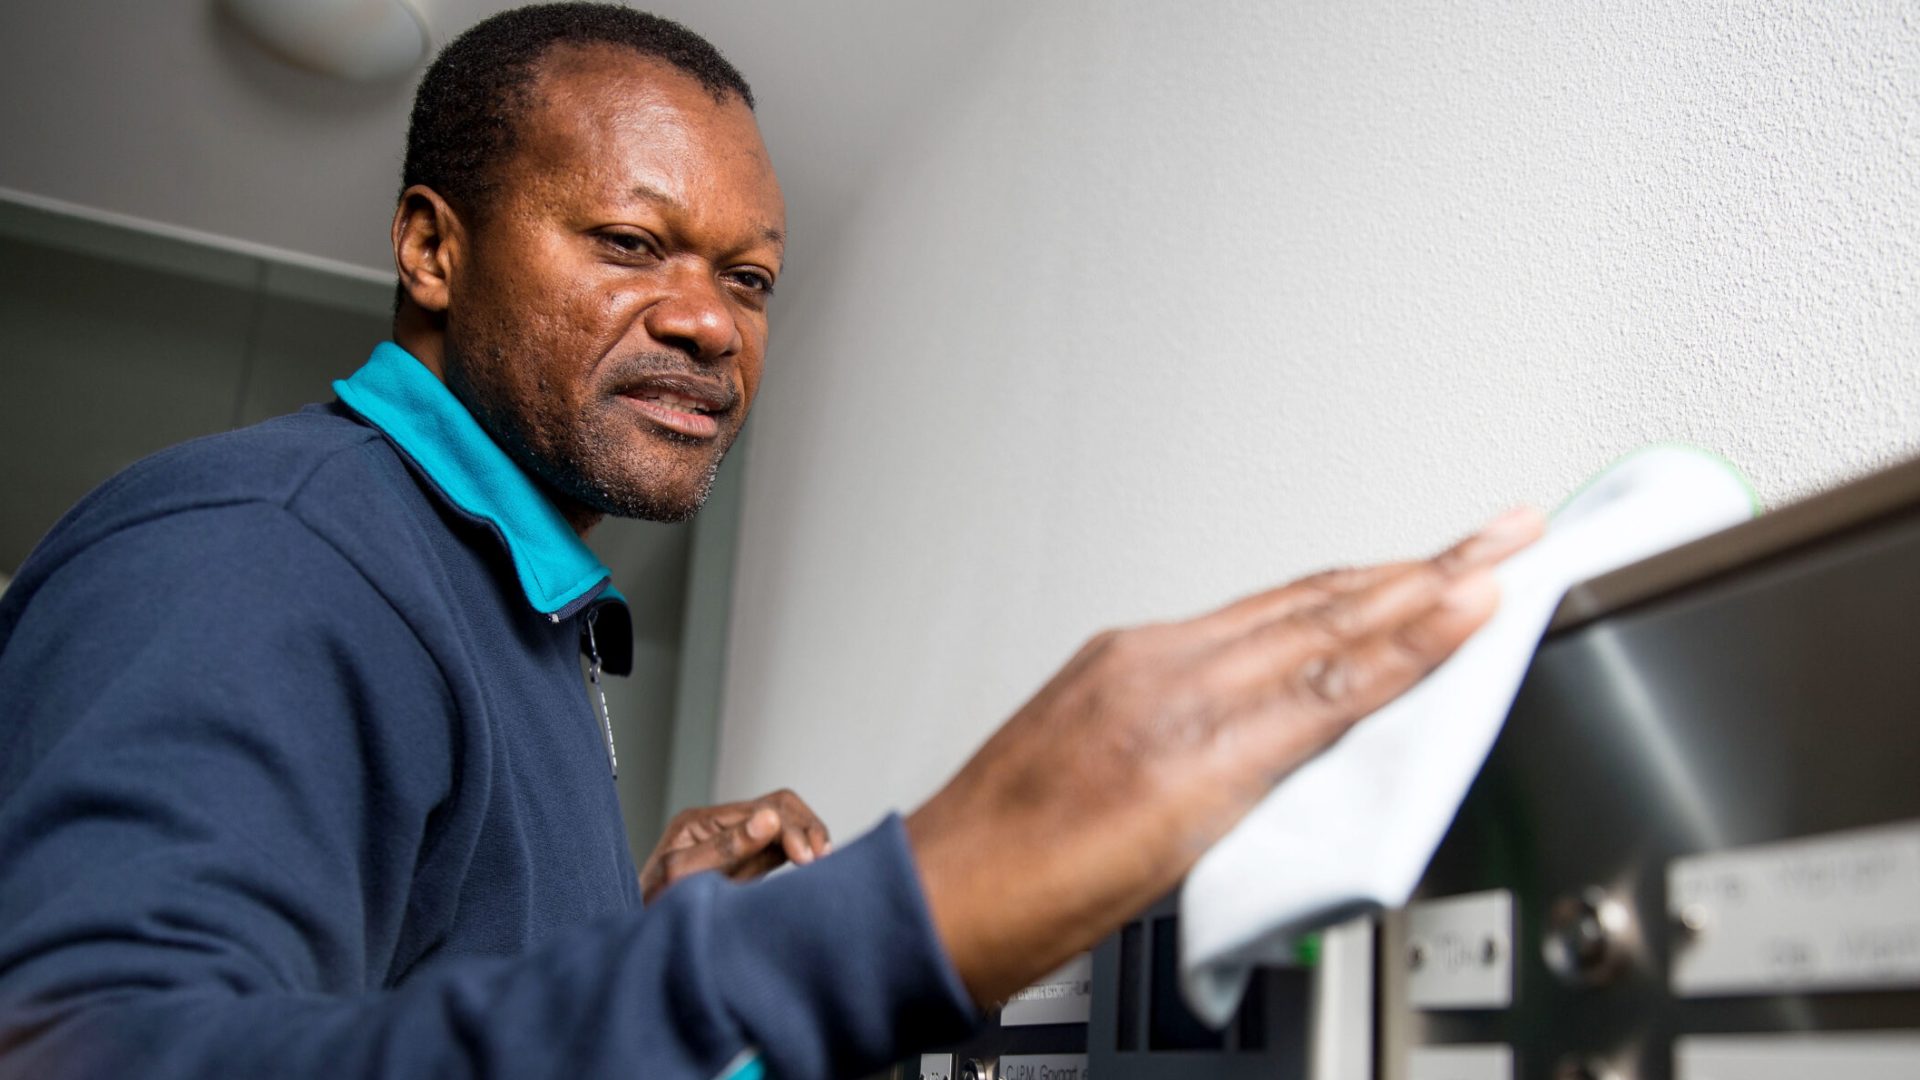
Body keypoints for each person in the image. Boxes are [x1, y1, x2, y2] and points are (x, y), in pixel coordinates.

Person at [0, 5, 1542, 1078]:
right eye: (629, 244)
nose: (705, 321)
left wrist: (636, 933)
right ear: (431, 248)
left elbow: (416, 998)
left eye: (750, 279)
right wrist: (917, 900)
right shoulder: (273, 549)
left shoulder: (513, 612)